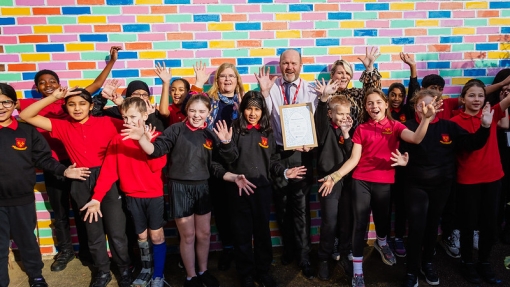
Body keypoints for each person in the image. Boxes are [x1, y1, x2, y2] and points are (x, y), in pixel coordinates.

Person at [318, 88, 439, 287]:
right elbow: (354, 159)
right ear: (366, 107)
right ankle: (358, 271)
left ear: (385, 104)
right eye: (370, 103)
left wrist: (425, 119)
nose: (374, 106)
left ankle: (382, 242)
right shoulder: (361, 129)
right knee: (359, 224)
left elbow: (416, 138)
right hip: (361, 181)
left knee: (382, 221)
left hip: (384, 181)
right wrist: (334, 176)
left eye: (378, 102)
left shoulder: (396, 126)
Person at [15, 46, 121, 271]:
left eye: (52, 80)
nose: (48, 84)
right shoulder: (33, 106)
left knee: (89, 214)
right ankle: (66, 251)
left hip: (83, 164)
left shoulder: (74, 100)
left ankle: (89, 253)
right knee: (60, 211)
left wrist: (110, 62)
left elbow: (93, 87)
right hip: (54, 164)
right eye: (42, 82)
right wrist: (54, 97)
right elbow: (18, 112)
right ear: (37, 87)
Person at [19, 87, 132, 287]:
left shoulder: (106, 122)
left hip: (108, 178)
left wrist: (121, 103)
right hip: (81, 180)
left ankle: (124, 269)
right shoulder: (61, 126)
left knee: (116, 230)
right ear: (66, 107)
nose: (77, 108)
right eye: (71, 104)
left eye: (82, 104)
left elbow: (136, 122)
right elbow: (26, 115)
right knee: (93, 231)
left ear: (90, 106)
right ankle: (102, 271)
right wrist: (54, 96)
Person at [121, 94, 221, 287]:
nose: (197, 115)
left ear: (209, 113)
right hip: (180, 188)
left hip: (203, 188)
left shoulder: (210, 134)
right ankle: (191, 276)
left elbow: (216, 163)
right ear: (186, 111)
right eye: (192, 110)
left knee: (204, 234)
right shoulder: (175, 130)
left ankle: (203, 270)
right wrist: (142, 138)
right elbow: (154, 150)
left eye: (201, 111)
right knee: (188, 235)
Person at [398, 89, 492, 287]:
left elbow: (472, 143)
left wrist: (485, 127)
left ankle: (428, 264)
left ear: (439, 106)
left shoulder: (449, 126)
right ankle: (411, 271)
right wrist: (404, 161)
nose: (427, 108)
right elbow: (403, 150)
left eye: (431, 104)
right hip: (416, 186)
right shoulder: (407, 126)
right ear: (416, 107)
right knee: (416, 228)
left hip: (441, 187)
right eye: (422, 104)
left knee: (433, 226)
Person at [0, 83, 90, 287]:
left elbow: (44, 159)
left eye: (6, 102)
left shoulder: (26, 131)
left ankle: (36, 276)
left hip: (21, 199)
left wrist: (64, 171)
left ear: (15, 105)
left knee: (27, 241)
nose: (1, 107)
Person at [213, 91, 307, 287]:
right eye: (249, 108)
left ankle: (263, 271)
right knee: (242, 234)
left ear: (262, 111)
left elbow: (272, 161)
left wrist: (285, 172)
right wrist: (227, 143)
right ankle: (246, 273)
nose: (252, 113)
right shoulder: (235, 130)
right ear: (242, 109)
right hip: (238, 190)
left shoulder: (267, 132)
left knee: (262, 233)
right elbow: (229, 159)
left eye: (257, 109)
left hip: (262, 191)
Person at [80, 97, 168, 287]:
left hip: (153, 196)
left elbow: (158, 165)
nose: (128, 122)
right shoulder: (117, 140)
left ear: (145, 115)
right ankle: (146, 269)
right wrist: (96, 198)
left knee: (156, 235)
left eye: (133, 117)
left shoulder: (156, 136)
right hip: (132, 196)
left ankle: (159, 274)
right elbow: (109, 172)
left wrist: (143, 140)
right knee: (142, 236)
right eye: (125, 117)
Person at [315, 47, 382, 269]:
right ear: (332, 75)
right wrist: (324, 97)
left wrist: (370, 68)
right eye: (338, 72)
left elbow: (374, 95)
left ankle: (344, 251)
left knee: (347, 217)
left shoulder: (355, 95)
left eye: (346, 73)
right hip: (328, 165)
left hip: (351, 161)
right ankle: (327, 254)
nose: (342, 77)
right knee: (330, 219)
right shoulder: (323, 98)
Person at [255, 48, 318, 278]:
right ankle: (289, 249)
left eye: (293, 63)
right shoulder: (270, 88)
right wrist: (263, 92)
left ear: (301, 65)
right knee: (281, 205)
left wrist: (312, 141)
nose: (289, 67)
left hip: (301, 154)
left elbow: (317, 122)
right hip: (278, 153)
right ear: (280, 66)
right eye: (285, 63)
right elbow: (263, 117)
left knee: (300, 207)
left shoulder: (311, 89)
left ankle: (304, 256)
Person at [185, 62, 246, 271]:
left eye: (231, 76)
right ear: (217, 80)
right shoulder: (208, 101)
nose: (227, 80)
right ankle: (228, 248)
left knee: (239, 210)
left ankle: (243, 250)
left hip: (239, 161)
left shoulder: (244, 101)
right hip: (213, 161)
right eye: (223, 76)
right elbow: (188, 106)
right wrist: (198, 84)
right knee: (221, 209)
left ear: (237, 79)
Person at [450, 79, 510, 285]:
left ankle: (484, 262)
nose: (477, 99)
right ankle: (467, 263)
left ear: (486, 98)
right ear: (463, 99)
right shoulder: (455, 121)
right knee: (468, 225)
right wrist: (484, 126)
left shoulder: (492, 112)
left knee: (489, 225)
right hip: (468, 181)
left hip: (493, 179)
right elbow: (469, 146)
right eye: (472, 95)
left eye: (481, 95)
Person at [313, 88, 354, 280]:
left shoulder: (349, 131)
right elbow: (320, 117)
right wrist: (323, 99)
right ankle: (323, 259)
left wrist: (346, 134)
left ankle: (345, 255)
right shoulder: (324, 129)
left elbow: (351, 155)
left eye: (347, 114)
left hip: (346, 181)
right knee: (329, 222)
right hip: (328, 182)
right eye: (340, 113)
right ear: (331, 114)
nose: (344, 117)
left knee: (346, 221)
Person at [385, 52, 420, 258]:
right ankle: (384, 238)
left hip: (403, 167)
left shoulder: (408, 111)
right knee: (385, 204)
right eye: (393, 95)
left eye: (400, 95)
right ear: (387, 96)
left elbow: (415, 91)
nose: (397, 99)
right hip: (385, 166)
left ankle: (398, 236)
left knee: (401, 204)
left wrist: (412, 68)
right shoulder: (381, 112)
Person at [94, 79, 166, 132]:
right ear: (128, 95)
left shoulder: (153, 112)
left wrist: (151, 117)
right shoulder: (117, 111)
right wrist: (102, 98)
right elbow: (94, 117)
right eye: (136, 94)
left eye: (144, 95)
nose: (141, 97)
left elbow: (161, 135)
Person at [155, 62, 190, 126]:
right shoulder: (171, 110)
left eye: (181, 90)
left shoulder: (191, 109)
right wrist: (166, 83)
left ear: (188, 92)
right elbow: (163, 112)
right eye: (173, 90)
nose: (176, 93)